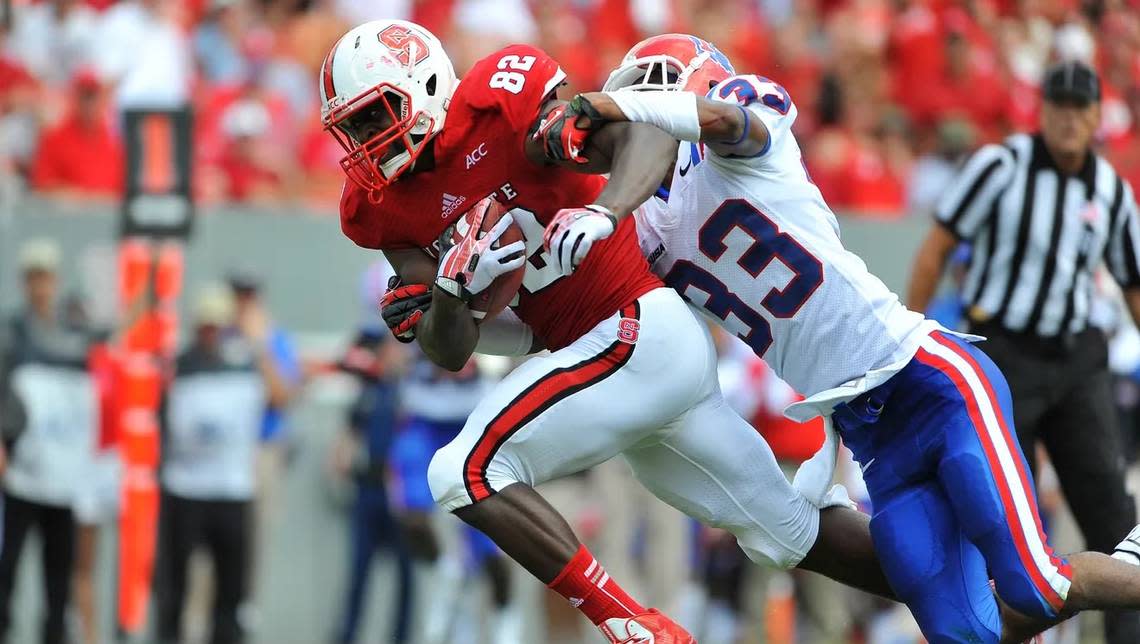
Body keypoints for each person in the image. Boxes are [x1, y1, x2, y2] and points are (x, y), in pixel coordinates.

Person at [529, 34, 1140, 643]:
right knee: (966, 633)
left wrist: (614, 110)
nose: (624, 108)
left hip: (928, 379)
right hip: (869, 433)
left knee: (1036, 582)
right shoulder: (637, 227)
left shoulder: (740, 123)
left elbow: (720, 118)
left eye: (640, 91)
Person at [327, 19, 889, 643]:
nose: (366, 142)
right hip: (615, 361)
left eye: (376, 118)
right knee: (787, 534)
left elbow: (644, 130)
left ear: (424, 83)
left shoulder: (495, 101)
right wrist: (455, 290)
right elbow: (448, 347)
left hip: (631, 326)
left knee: (462, 472)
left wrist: (604, 209)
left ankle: (629, 625)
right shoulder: (378, 209)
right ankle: (994, 608)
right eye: (352, 129)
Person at [907, 60, 1140, 643]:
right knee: (1011, 519)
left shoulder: (1111, 189)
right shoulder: (1000, 166)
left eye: (1078, 107)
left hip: (1074, 361)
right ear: (1042, 111)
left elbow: (1132, 283)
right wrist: (912, 337)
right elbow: (936, 249)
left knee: (1114, 516)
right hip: (1003, 355)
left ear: (1094, 117)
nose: (1067, 117)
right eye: (1057, 105)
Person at [155, 283, 290, 644]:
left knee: (230, 597)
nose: (211, 334)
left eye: (218, 326)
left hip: (231, 492)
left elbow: (281, 396)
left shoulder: (246, 363)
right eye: (205, 326)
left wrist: (259, 345)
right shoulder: (181, 364)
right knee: (175, 593)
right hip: (185, 490)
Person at [0, 239, 97, 644]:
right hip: (21, 474)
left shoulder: (74, 332)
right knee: (6, 572)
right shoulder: (11, 332)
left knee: (59, 581)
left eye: (47, 277)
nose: (41, 286)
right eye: (33, 277)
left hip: (63, 477)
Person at [390, 351, 521, 644]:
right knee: (413, 519)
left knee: (491, 547)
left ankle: (506, 615)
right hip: (421, 421)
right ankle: (446, 574)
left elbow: (511, 360)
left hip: (475, 426)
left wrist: (476, 357)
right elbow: (387, 357)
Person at [330, 268, 413, 644]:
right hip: (369, 484)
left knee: (405, 577)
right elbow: (354, 419)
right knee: (358, 573)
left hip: (403, 487)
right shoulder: (371, 372)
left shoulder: (420, 373)